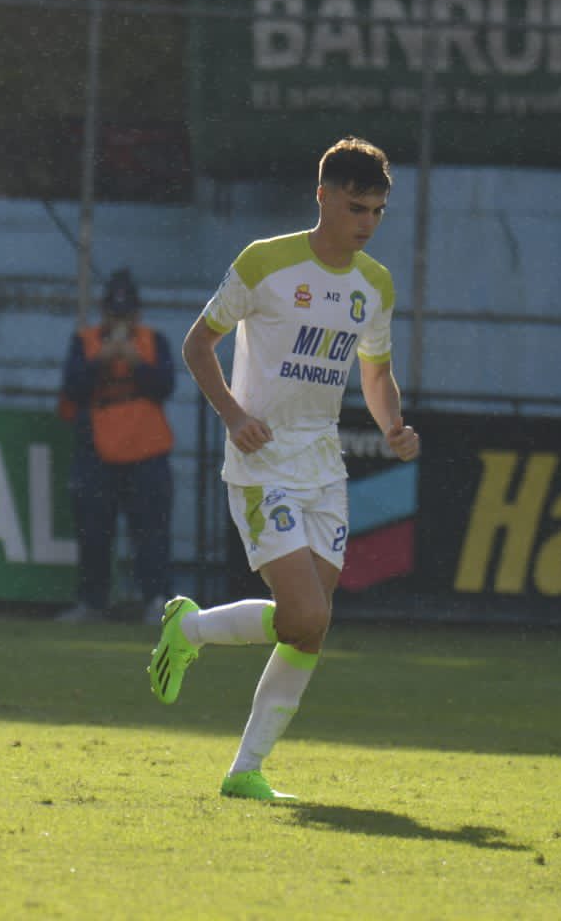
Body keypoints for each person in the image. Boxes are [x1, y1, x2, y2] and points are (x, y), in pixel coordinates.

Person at [149, 137, 421, 802]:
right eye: (357, 207)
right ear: (323, 196)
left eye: (379, 212)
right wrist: (234, 415)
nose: (368, 223)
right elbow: (197, 344)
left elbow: (376, 372)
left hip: (323, 465)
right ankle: (189, 632)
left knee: (310, 625)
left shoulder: (374, 284)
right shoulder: (265, 262)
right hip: (262, 460)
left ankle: (246, 769)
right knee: (303, 611)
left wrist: (391, 423)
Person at [55, 269, 175, 625]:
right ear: (104, 313)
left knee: (151, 530)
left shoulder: (155, 341)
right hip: (98, 447)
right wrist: (102, 360)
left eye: (126, 314)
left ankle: (156, 600)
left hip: (148, 447)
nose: (119, 321)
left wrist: (135, 361)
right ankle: (93, 601)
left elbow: (165, 386)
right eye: (114, 314)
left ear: (137, 314)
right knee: (93, 530)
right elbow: (72, 389)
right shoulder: (85, 341)